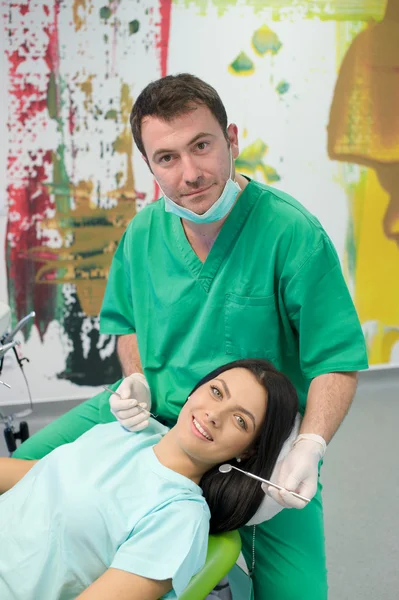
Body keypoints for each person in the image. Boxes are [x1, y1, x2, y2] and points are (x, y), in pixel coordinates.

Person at [13, 74, 369, 599]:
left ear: (232, 139)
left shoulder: (290, 233)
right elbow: (127, 324)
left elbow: (335, 358)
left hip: (253, 443)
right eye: (167, 158)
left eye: (201, 145)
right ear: (151, 165)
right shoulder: (143, 233)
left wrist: (308, 445)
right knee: (20, 474)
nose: (190, 173)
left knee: (298, 593)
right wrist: (134, 380)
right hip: (149, 411)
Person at [0, 359, 298, 600]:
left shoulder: (179, 518)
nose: (214, 414)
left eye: (240, 420)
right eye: (217, 392)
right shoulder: (124, 433)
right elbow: (39, 476)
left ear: (247, 452)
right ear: (195, 390)